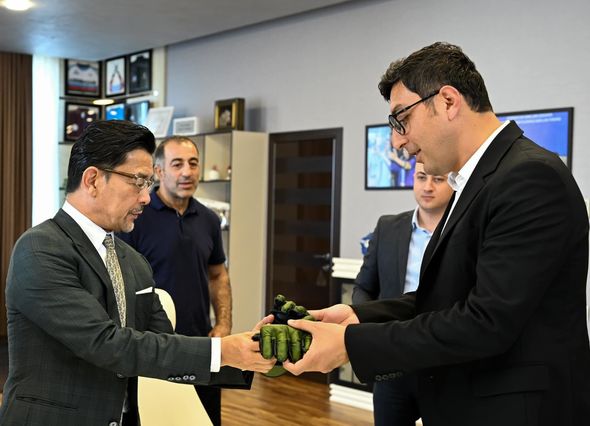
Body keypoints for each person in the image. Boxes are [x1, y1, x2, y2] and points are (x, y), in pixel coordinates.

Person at [284, 42, 590, 425]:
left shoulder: (528, 177)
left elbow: (486, 321)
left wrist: (350, 344)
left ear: (447, 101)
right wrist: (357, 316)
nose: (397, 141)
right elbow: (446, 297)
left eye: (401, 119)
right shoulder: (476, 182)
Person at [0, 120, 275, 426]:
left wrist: (253, 352)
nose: (146, 197)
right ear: (93, 180)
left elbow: (162, 343)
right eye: (138, 181)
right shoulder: (40, 249)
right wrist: (222, 351)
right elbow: (106, 344)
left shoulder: (133, 261)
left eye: (148, 183)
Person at [118, 136, 230, 425]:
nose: (187, 172)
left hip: (201, 345)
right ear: (159, 171)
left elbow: (218, 274)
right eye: (177, 164)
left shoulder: (209, 220)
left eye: (193, 163)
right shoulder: (134, 218)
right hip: (151, 348)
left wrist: (223, 324)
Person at [353, 162, 453, 425]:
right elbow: (364, 286)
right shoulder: (387, 227)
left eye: (438, 179)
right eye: (421, 177)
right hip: (392, 361)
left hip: (445, 363)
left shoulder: (463, 230)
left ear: (454, 183)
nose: (428, 186)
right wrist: (367, 326)